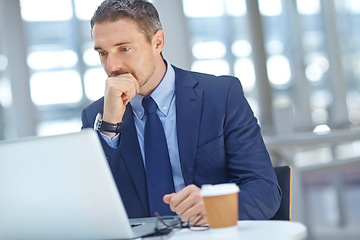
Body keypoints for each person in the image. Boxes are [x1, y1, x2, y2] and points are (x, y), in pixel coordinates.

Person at [81, 0, 281, 225]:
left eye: (124, 49)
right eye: (103, 53)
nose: (112, 66)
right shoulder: (96, 117)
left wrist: (216, 207)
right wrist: (110, 125)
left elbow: (265, 190)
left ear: (157, 42)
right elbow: (90, 207)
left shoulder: (220, 96)